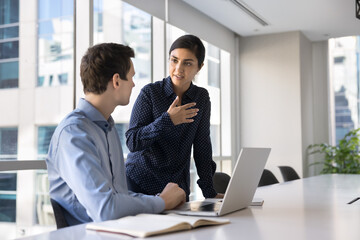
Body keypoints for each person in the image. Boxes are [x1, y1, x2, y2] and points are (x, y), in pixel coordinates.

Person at [46, 43, 185, 226]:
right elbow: (106, 209)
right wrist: (162, 202)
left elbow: (120, 196)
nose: (134, 84)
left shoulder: (108, 128)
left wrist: (160, 199)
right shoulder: (73, 134)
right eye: (132, 77)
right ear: (116, 80)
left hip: (119, 230)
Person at [125, 34, 223, 201]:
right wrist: (167, 121)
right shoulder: (150, 93)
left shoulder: (201, 97)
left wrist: (210, 193)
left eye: (187, 63)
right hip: (141, 182)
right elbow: (132, 141)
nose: (178, 69)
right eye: (174, 60)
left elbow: (202, 145)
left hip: (177, 187)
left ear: (199, 67)